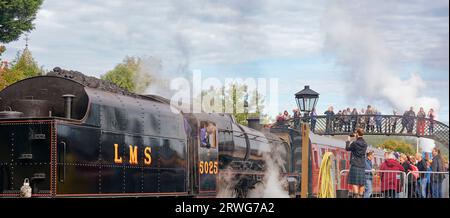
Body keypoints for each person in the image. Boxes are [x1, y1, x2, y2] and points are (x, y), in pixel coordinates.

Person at [345, 128, 368, 198]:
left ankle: (356, 196)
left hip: (355, 164)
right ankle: (360, 196)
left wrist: (348, 140)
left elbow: (347, 148)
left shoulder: (355, 143)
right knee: (362, 183)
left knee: (355, 183)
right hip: (362, 165)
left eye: (355, 133)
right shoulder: (365, 143)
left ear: (357, 134)